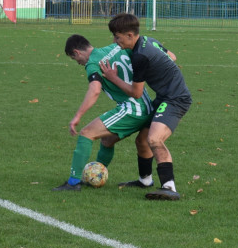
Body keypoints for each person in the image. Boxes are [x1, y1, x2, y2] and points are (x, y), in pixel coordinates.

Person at [101, 13, 193, 201]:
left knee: (154, 139)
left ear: (129, 35)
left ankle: (169, 187)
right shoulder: (148, 41)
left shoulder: (140, 57)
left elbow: (135, 93)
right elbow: (172, 57)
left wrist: (113, 78)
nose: (115, 41)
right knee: (142, 141)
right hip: (164, 97)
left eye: (117, 36)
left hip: (175, 99)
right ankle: (145, 180)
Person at [54, 34, 154, 192]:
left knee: (86, 133)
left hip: (132, 109)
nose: (79, 63)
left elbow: (94, 91)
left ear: (77, 52)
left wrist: (77, 116)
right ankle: (96, 174)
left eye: (75, 59)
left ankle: (73, 183)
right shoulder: (115, 47)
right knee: (107, 141)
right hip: (147, 104)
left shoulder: (93, 63)